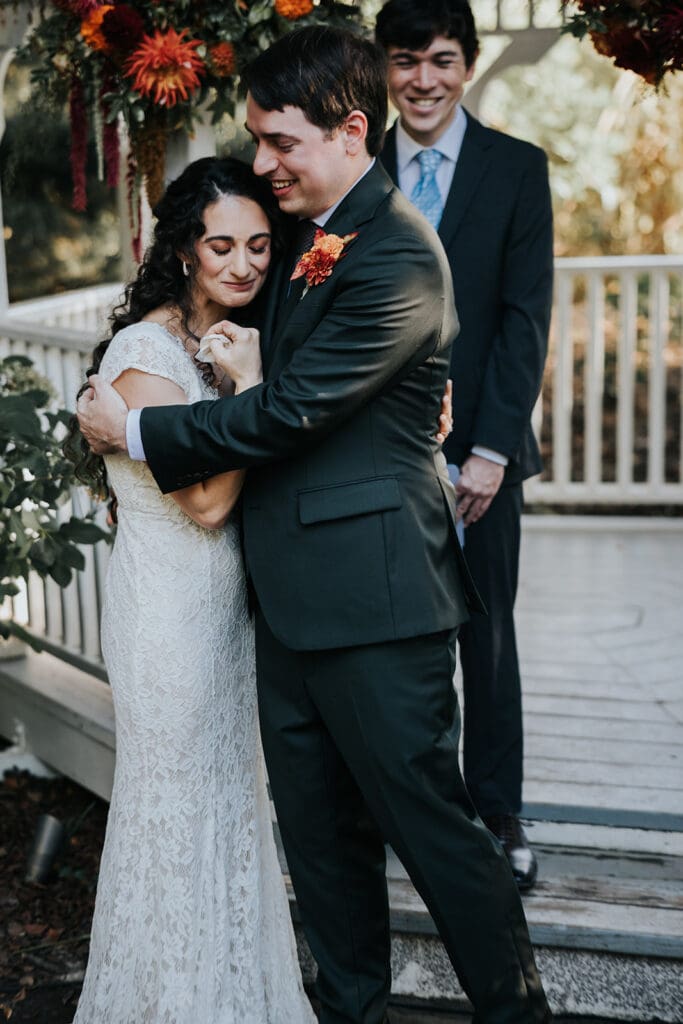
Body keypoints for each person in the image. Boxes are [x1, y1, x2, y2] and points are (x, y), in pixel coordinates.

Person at [77, 25, 552, 1024]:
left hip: (378, 611)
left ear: (348, 130)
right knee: (324, 856)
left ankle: (517, 1014)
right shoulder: (298, 234)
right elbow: (234, 315)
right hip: (282, 615)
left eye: (278, 142)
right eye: (256, 140)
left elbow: (288, 410)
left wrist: (139, 425)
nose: (263, 163)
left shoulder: (398, 259)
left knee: (438, 840)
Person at [65, 156, 317, 1023]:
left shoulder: (230, 335)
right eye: (221, 245)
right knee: (174, 819)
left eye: (258, 244)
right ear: (183, 251)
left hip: (220, 618)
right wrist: (251, 393)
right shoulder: (145, 357)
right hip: (170, 624)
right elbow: (207, 501)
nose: (244, 264)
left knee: (224, 811)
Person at [376, 0, 554, 890]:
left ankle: (498, 811)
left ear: (469, 64)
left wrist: (488, 451)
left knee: (484, 639)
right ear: (383, 68)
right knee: (393, 643)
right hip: (378, 455)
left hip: (486, 454)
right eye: (404, 60)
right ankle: (407, 812)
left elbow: (525, 320)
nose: (422, 79)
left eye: (440, 59)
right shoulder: (357, 168)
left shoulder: (517, 169)